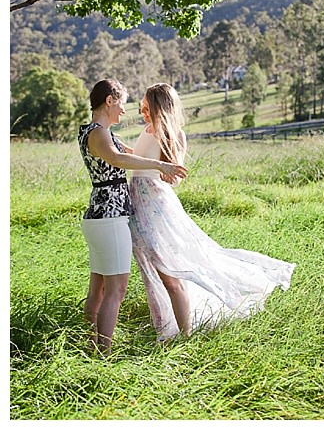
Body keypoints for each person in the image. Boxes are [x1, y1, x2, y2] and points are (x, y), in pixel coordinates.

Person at [128, 83, 296, 342]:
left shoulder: (175, 135)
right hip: (137, 206)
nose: (143, 112)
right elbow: (139, 161)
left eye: (146, 107)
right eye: (142, 107)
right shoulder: (146, 130)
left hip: (157, 207)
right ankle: (167, 325)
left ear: (160, 107)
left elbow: (175, 179)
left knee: (172, 272)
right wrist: (119, 150)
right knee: (154, 270)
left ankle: (184, 336)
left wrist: (168, 170)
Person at [78, 79, 188, 354]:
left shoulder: (97, 132)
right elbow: (119, 160)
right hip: (111, 215)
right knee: (116, 290)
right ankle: (103, 352)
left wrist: (157, 160)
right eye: (124, 104)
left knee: (99, 289)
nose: (126, 112)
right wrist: (159, 163)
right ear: (110, 100)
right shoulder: (100, 134)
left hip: (102, 214)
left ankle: (90, 344)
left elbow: (126, 153)